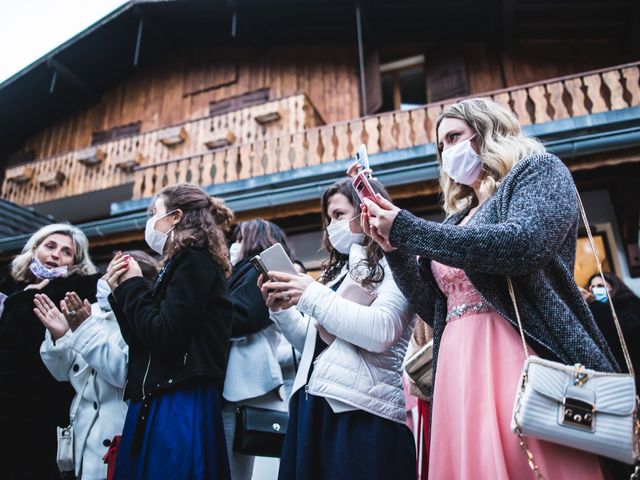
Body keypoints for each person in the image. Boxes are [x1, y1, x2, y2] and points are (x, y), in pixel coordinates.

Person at [360, 98, 617, 479]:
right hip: (457, 364)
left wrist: (408, 229)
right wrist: (394, 251)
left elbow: (521, 245)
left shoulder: (538, 172)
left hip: (517, 348)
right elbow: (431, 302)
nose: (447, 151)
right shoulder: (457, 219)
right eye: (441, 146)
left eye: (454, 137)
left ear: (487, 131)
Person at [260, 178, 416, 480]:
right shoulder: (337, 270)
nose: (332, 225)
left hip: (360, 409)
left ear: (365, 210)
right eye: (329, 218)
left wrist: (311, 294)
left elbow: (381, 331)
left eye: (340, 215)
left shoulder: (396, 260)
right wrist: (281, 310)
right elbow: (314, 341)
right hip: (313, 403)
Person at [107, 183, 234, 479]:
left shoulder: (193, 261)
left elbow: (164, 337)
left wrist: (132, 287)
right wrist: (121, 294)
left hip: (178, 398)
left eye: (155, 212)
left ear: (176, 217)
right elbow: (142, 339)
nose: (150, 220)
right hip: (160, 392)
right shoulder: (176, 265)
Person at [36, 251, 159, 480]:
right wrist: (59, 336)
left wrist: (84, 329)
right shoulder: (90, 311)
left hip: (118, 432)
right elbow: (62, 373)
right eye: (106, 274)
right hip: (84, 433)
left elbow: (121, 373)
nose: (105, 281)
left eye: (115, 275)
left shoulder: (141, 318)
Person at [0, 223, 100, 480]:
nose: (56, 255)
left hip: (41, 412)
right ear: (35, 250)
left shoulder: (74, 295)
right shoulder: (9, 288)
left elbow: (25, 343)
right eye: (50, 246)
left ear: (74, 263)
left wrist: (25, 299)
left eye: (66, 252)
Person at [223, 219, 299, 479]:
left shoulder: (260, 270)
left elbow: (243, 316)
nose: (234, 245)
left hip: (244, 387)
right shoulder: (245, 273)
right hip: (244, 386)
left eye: (239, 239)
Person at [581, 272, 640, 386]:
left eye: (600, 286)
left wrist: (595, 303)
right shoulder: (592, 313)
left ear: (614, 288)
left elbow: (628, 331)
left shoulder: (629, 303)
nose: (594, 290)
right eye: (592, 287)